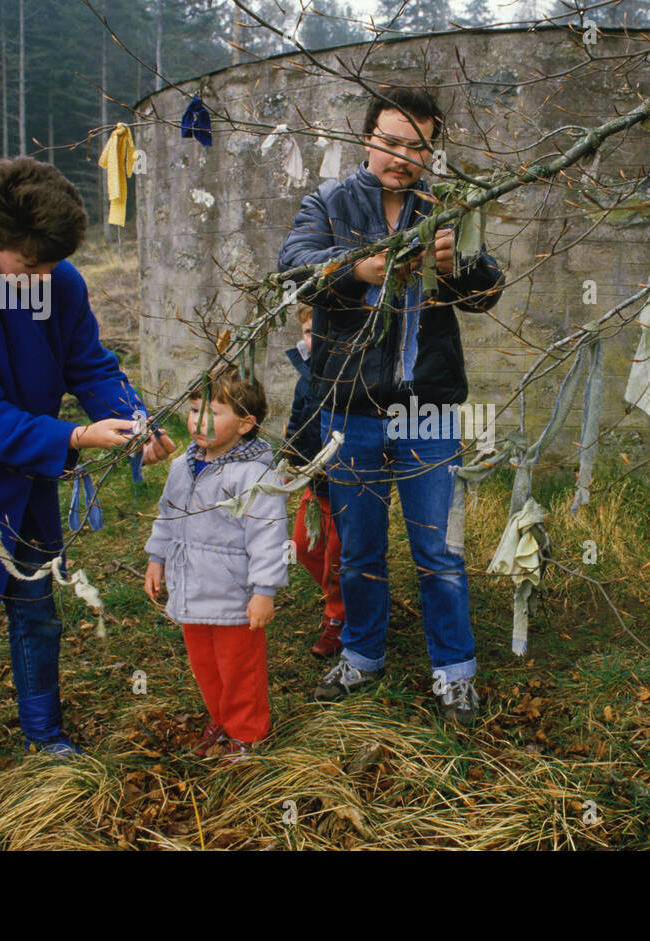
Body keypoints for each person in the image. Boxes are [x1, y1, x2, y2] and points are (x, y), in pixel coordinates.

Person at [0, 156, 176, 808]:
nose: (43, 279)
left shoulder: (58, 281)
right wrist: (74, 437)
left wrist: (133, 417)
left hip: (24, 479)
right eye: (31, 266)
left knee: (37, 613)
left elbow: (89, 363)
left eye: (52, 266)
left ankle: (44, 733)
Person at [277, 87, 504, 726]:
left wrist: (457, 265)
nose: (402, 157)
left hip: (427, 407)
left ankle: (455, 671)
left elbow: (487, 291)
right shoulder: (329, 202)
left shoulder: (447, 206)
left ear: (432, 147)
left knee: (439, 550)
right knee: (359, 548)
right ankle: (361, 654)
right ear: (367, 139)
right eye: (391, 142)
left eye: (417, 145)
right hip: (351, 406)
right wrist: (359, 269)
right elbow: (293, 269)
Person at [144, 362, 288, 759]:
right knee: (206, 666)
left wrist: (264, 591)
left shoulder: (255, 476)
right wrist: (157, 558)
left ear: (245, 424)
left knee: (239, 668)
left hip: (234, 594)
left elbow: (268, 535)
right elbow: (167, 515)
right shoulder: (181, 467)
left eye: (213, 412)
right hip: (191, 588)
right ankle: (220, 718)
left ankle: (248, 732)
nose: (198, 420)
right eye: (194, 410)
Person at [284, 303, 345, 657]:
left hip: (345, 483)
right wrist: (291, 457)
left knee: (338, 557)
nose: (316, 338)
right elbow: (297, 421)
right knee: (303, 547)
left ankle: (336, 621)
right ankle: (339, 594)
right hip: (315, 481)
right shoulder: (305, 376)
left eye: (323, 330)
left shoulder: (349, 374)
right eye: (309, 331)